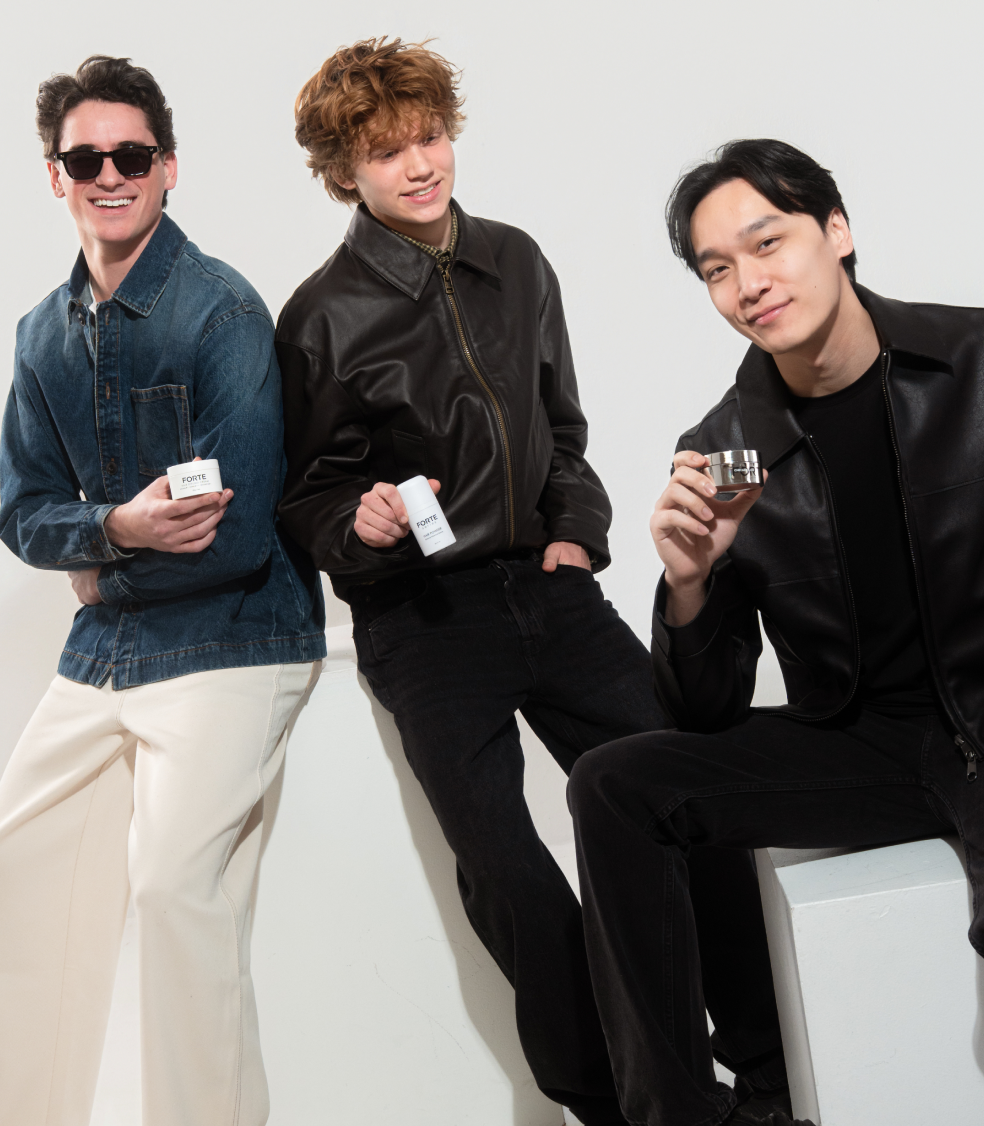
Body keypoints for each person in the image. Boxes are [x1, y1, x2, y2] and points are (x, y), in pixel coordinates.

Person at [276, 39, 782, 1125]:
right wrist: (359, 527)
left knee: (690, 797)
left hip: (550, 591)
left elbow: (562, 428)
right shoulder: (320, 314)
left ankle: (760, 1066)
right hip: (423, 620)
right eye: (386, 151)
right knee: (510, 871)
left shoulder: (518, 261)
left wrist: (575, 537)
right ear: (342, 170)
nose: (419, 164)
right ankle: (615, 1100)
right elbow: (309, 498)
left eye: (429, 136)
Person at [568, 136, 984, 1126]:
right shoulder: (724, 446)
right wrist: (690, 585)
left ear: (836, 233)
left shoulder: (971, 363)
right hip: (864, 745)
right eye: (718, 268)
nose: (749, 282)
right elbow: (706, 712)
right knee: (617, 783)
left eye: (768, 243)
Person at [0, 55, 325, 1126]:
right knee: (0, 872)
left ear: (169, 169)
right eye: (87, 158)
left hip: (237, 639)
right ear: (55, 176)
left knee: (176, 892)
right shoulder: (40, 336)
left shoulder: (220, 314)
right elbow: (21, 514)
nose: (108, 174)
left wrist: (96, 553)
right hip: (110, 650)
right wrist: (117, 527)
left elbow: (239, 532)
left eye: (131, 155)